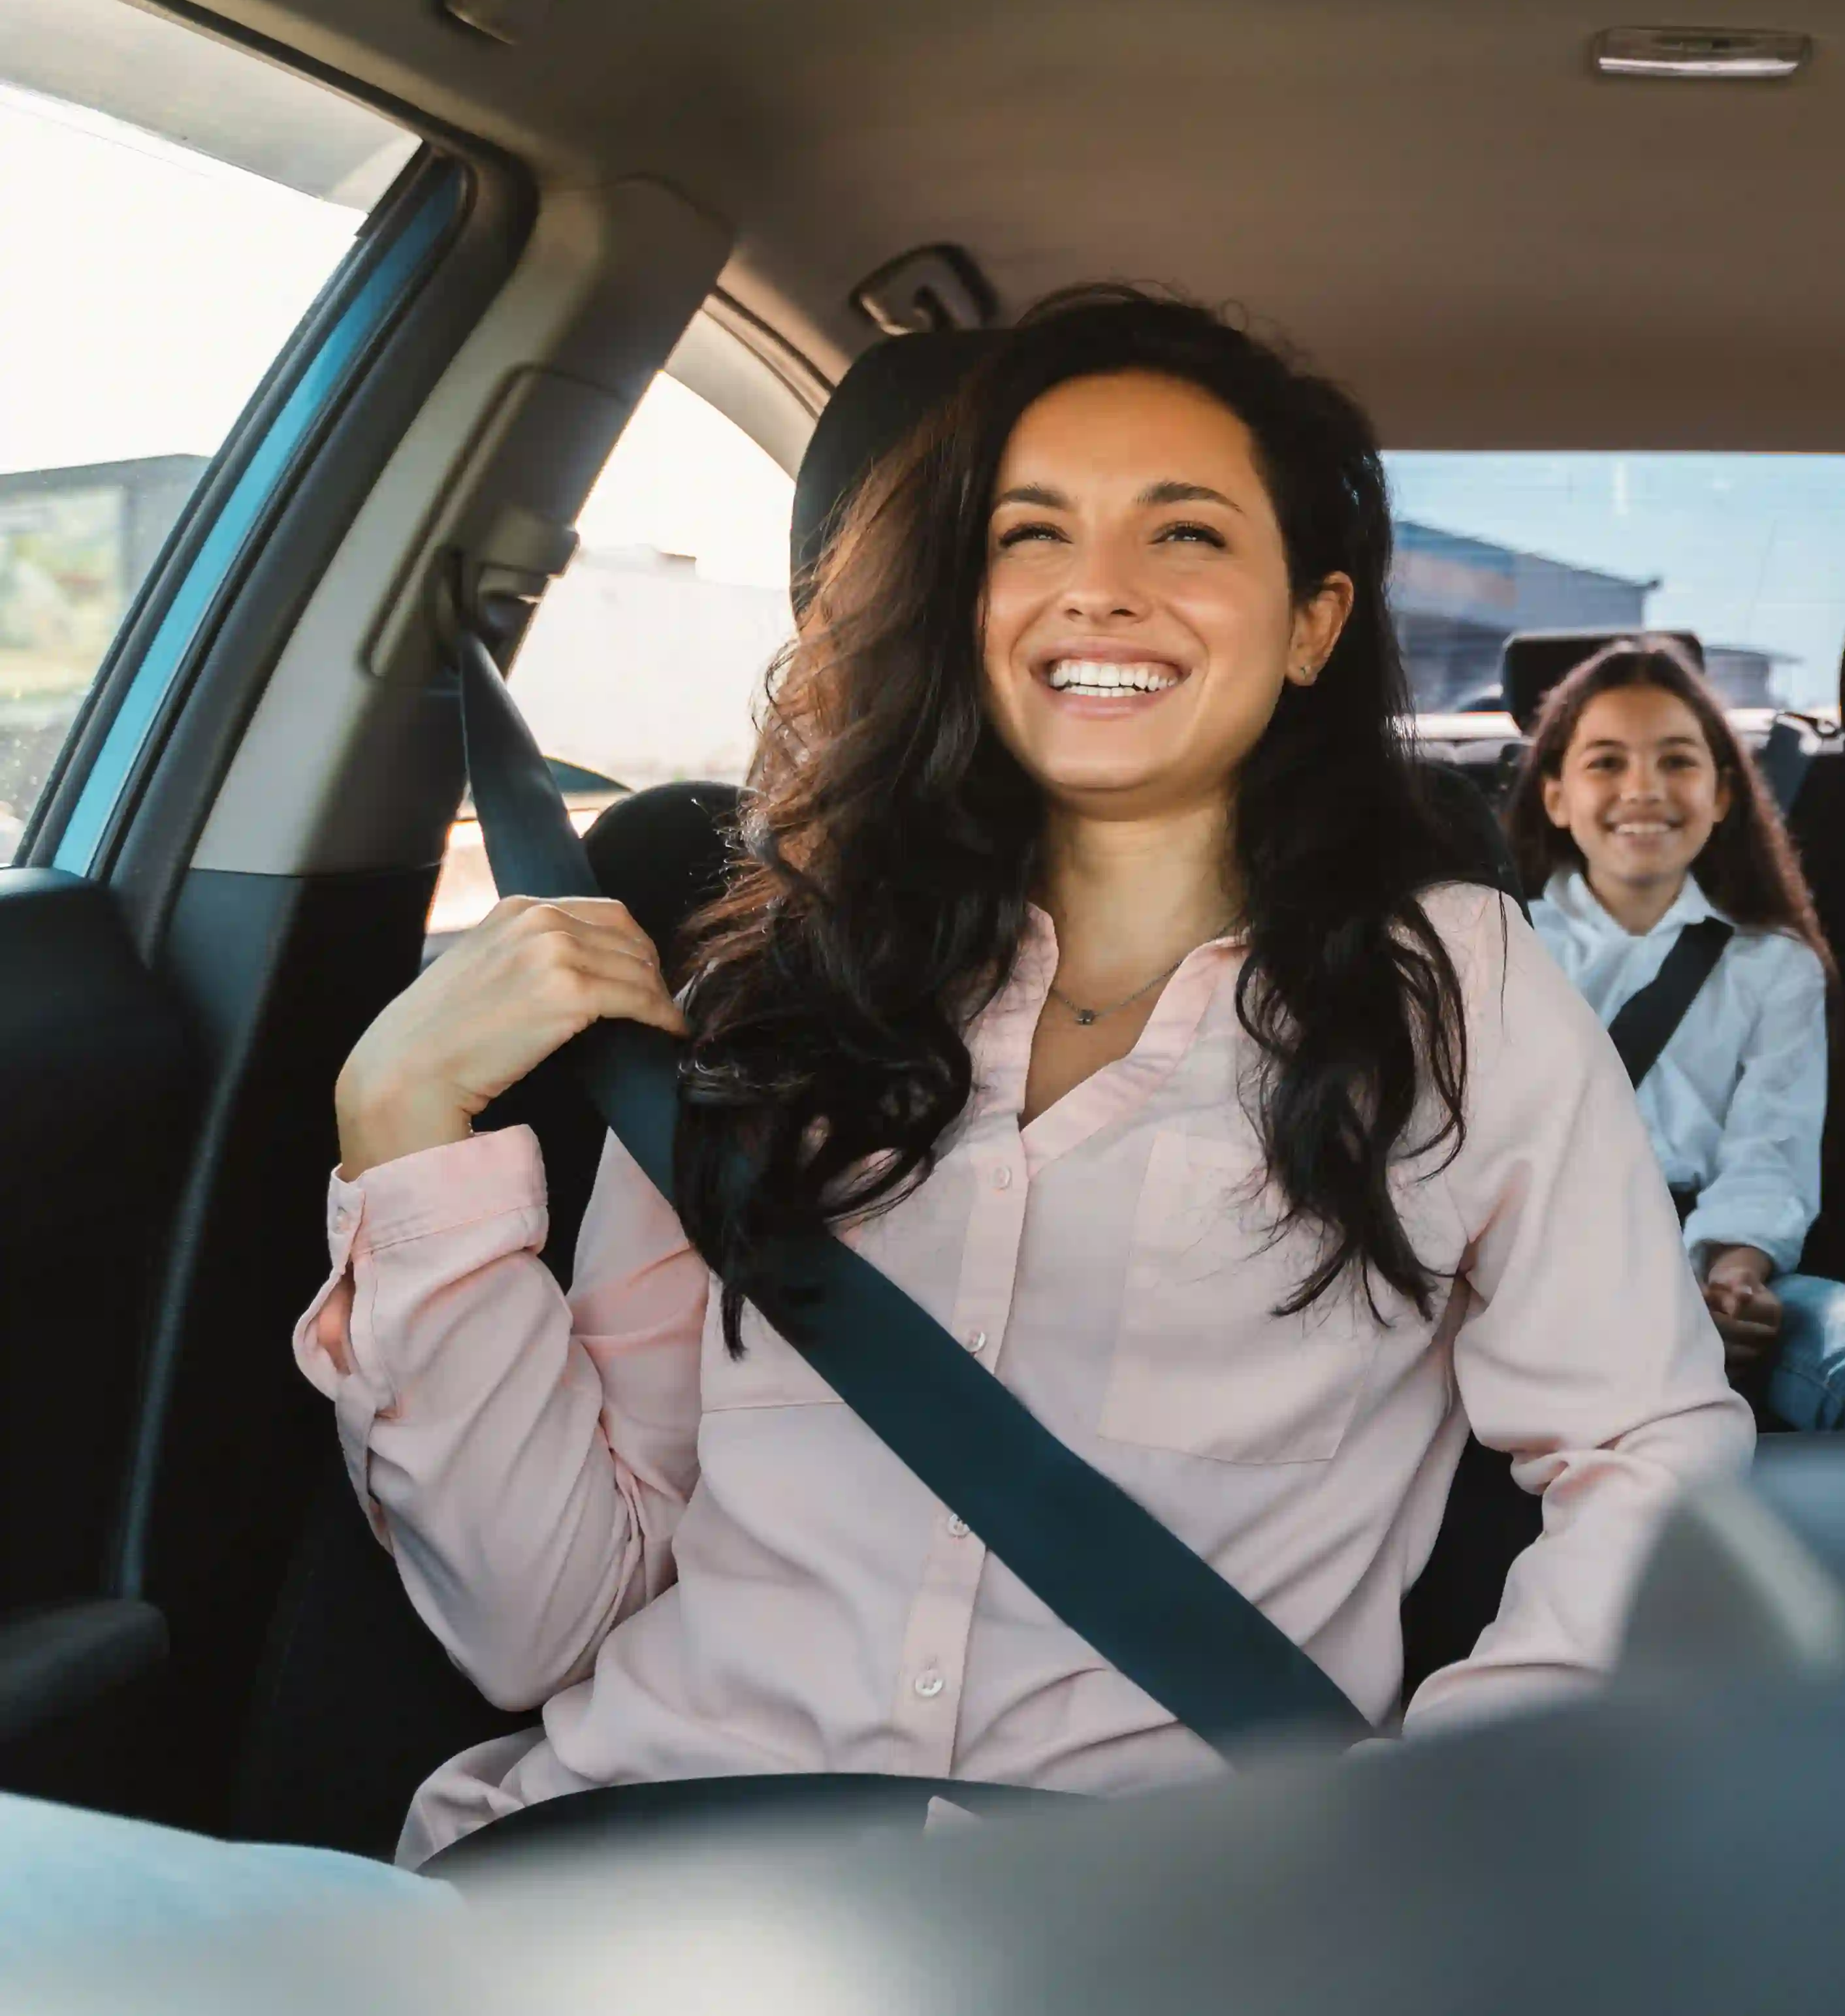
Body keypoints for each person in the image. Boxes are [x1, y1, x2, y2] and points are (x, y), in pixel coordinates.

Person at [281, 287, 1747, 1872]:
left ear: (1313, 622)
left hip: (1145, 1914)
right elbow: (538, 1619)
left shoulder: (1457, 995)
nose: (1098, 588)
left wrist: (1427, 1845)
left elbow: (1647, 1458)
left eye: (1185, 533)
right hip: (650, 1860)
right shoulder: (766, 995)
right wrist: (402, 1138)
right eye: (1029, 533)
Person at [1509, 638, 1845, 1449]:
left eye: (1676, 761)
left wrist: (1732, 1278)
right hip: (1541, 1284)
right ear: (1555, 796)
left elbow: (1771, 1149)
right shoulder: (1499, 949)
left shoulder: (1773, 964)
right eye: (1606, 763)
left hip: (1711, 1266)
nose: (1643, 788)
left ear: (1723, 793)